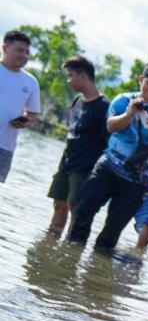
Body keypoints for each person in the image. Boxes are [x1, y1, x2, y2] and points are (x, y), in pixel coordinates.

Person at [68, 65, 148, 249]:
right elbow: (110, 127)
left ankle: (97, 267)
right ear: (141, 80)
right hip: (108, 167)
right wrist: (129, 113)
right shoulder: (123, 100)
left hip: (137, 180)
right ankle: (70, 255)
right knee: (83, 211)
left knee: (113, 230)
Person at [47, 55, 107, 232]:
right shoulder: (77, 101)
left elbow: (106, 142)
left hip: (84, 167)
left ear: (83, 76)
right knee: (59, 204)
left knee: (75, 206)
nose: (69, 80)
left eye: (71, 75)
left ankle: (71, 247)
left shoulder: (103, 106)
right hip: (66, 162)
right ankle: (50, 243)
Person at [0, 30, 39, 183]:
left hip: (5, 146)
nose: (24, 55)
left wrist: (25, 120)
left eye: (27, 52)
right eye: (19, 50)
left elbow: (32, 113)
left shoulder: (31, 82)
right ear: (5, 48)